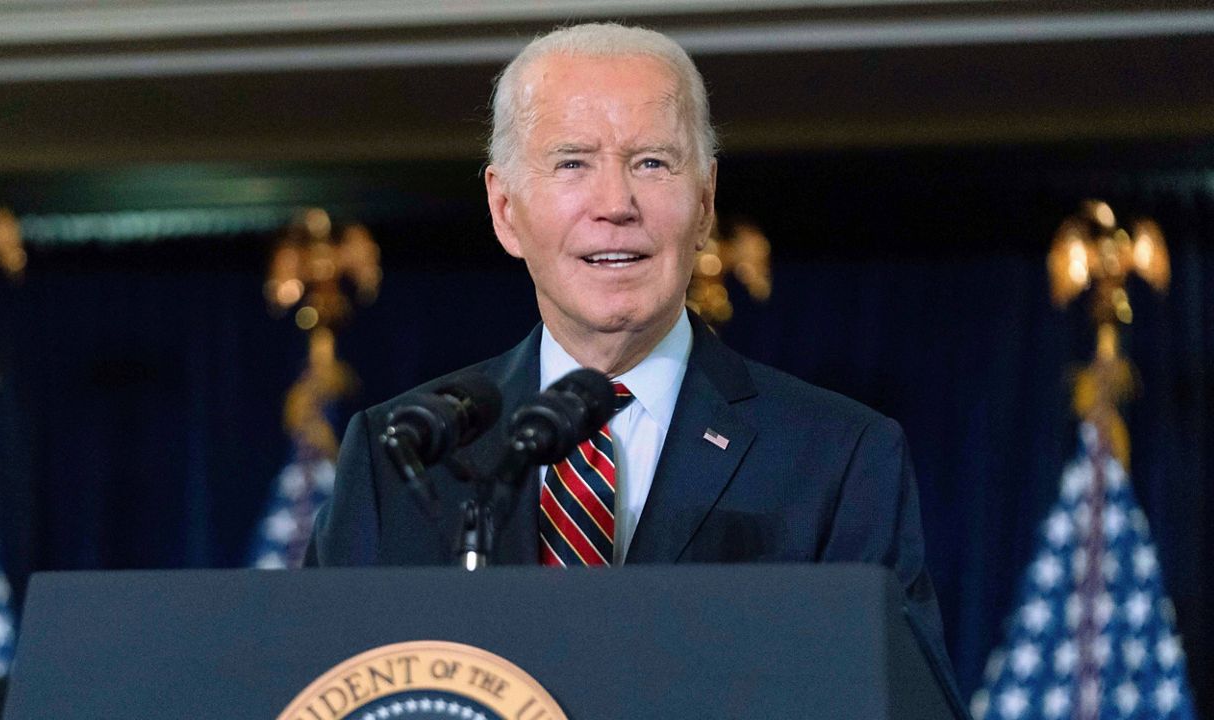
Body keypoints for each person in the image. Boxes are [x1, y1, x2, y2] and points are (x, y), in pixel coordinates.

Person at [307, 22, 963, 711]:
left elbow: (907, 704)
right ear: (505, 210)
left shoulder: (839, 457)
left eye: (652, 163)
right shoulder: (404, 452)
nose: (616, 205)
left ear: (705, 201)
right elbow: (317, 688)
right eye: (572, 163)